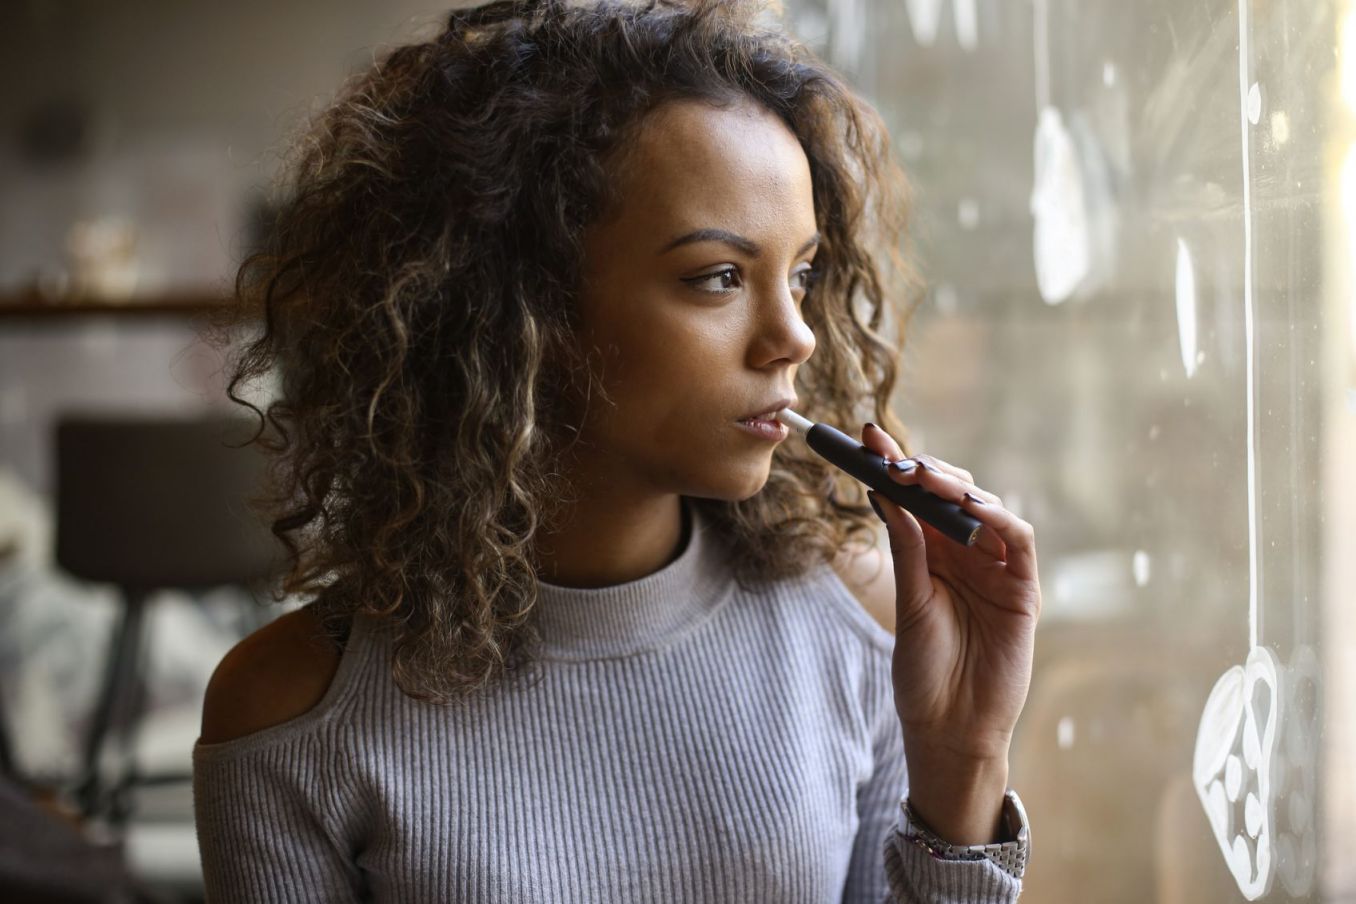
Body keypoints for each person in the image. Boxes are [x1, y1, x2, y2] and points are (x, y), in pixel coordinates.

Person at [193, 0, 1042, 901]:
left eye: (801, 274)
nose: (795, 336)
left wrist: (964, 761)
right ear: (523, 310)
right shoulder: (292, 713)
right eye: (717, 278)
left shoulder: (858, 622)